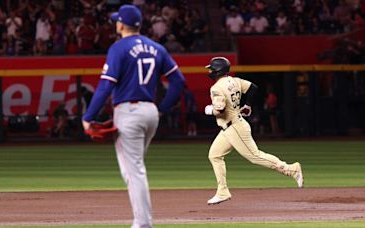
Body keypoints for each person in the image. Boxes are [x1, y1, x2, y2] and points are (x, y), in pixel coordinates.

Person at [82, 5, 185, 228]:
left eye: (116, 21)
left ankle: (142, 224)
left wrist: (88, 116)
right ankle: (142, 221)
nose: (115, 24)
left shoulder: (118, 48)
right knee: (134, 168)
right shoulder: (157, 48)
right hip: (150, 113)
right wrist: (162, 108)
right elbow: (179, 81)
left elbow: (105, 86)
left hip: (129, 113)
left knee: (134, 171)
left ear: (121, 24)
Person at [204, 57, 304, 205]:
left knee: (255, 156)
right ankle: (222, 191)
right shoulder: (234, 81)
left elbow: (220, 110)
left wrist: (210, 110)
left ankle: (291, 169)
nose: (210, 71)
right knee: (215, 155)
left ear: (218, 70)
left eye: (212, 68)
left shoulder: (216, 88)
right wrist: (248, 105)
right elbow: (253, 87)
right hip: (230, 126)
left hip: (234, 128)